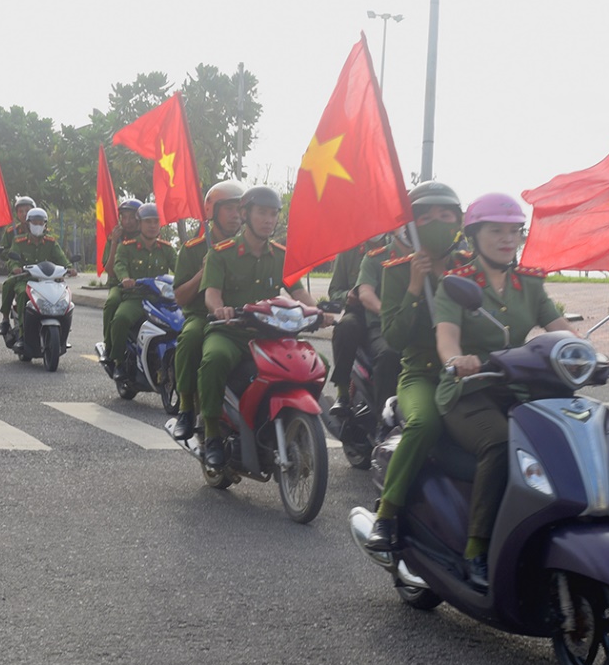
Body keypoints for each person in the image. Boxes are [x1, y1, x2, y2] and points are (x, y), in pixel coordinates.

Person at [434, 193, 609, 588]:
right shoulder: (457, 286)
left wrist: (599, 357)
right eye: (496, 231)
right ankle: (476, 548)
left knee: (560, 440)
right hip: (468, 389)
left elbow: (561, 328)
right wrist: (457, 360)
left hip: (516, 388)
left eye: (514, 232)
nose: (507, 239)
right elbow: (447, 339)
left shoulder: (529, 283)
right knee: (500, 445)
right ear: (473, 235)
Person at [363, 182, 467, 552]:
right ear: (412, 224)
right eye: (426, 216)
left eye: (445, 215)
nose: (436, 222)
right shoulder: (396, 271)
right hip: (422, 373)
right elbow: (394, 337)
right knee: (424, 424)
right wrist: (414, 285)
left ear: (459, 220)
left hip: (472, 374)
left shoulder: (471, 267)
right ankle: (387, 514)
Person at [196, 185, 333, 467]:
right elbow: (211, 294)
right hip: (231, 332)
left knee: (318, 362)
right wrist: (219, 309)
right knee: (214, 359)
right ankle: (210, 431)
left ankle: (292, 422)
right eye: (262, 213)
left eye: (273, 214)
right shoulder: (221, 253)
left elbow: (298, 294)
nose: (268, 220)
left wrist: (318, 312)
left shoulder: (282, 255)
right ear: (245, 214)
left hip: (271, 337)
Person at [171, 180, 245, 440]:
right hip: (203, 317)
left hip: (242, 319)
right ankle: (186, 407)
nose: (237, 215)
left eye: (241, 209)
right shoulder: (192, 250)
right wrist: (203, 273)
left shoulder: (247, 247)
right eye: (230, 209)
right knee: (190, 339)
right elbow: (179, 297)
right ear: (213, 212)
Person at [104, 202, 176, 373]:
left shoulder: (166, 249)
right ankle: (117, 360)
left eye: (156, 222)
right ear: (140, 223)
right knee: (121, 318)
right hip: (136, 297)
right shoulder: (126, 246)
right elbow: (118, 265)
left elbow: (180, 268)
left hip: (160, 298)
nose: (152, 226)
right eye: (148, 221)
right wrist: (126, 278)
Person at [0, 207, 75, 338]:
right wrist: (16, 267)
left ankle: (63, 330)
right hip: (26, 280)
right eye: (34, 222)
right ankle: (19, 330)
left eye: (41, 223)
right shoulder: (18, 241)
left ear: (45, 225)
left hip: (48, 281)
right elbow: (12, 259)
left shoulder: (51, 242)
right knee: (21, 292)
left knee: (64, 295)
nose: (38, 226)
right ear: (28, 224)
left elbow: (61, 258)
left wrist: (69, 268)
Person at [325, 239, 375, 414]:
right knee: (345, 328)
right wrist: (348, 295)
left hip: (387, 312)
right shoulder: (349, 251)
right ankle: (343, 393)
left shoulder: (400, 245)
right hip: (358, 312)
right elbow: (334, 291)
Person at [100, 198, 144, 353]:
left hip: (144, 287)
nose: (128, 221)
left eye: (132, 217)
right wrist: (113, 243)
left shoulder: (147, 237)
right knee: (112, 303)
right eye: (124, 217)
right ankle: (109, 345)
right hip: (119, 286)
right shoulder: (116, 239)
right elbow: (110, 270)